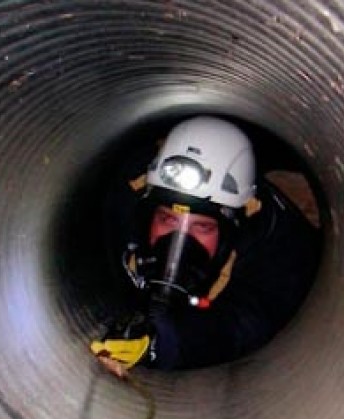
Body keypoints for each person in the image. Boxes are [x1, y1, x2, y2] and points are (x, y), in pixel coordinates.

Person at [89, 116, 320, 372]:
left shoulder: (275, 244)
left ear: (232, 229)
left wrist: (164, 343)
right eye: (167, 219)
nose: (179, 243)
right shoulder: (125, 202)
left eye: (203, 227)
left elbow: (245, 323)